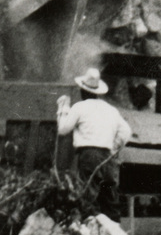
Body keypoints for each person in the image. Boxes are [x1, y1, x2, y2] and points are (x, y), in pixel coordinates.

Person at [56, 68, 132, 221]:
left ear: (82, 90)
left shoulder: (79, 107)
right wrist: (113, 148)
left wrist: (63, 108)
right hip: (108, 157)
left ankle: (85, 232)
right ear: (98, 91)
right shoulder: (111, 110)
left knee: (87, 194)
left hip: (90, 154)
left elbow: (63, 130)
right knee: (109, 196)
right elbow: (126, 131)